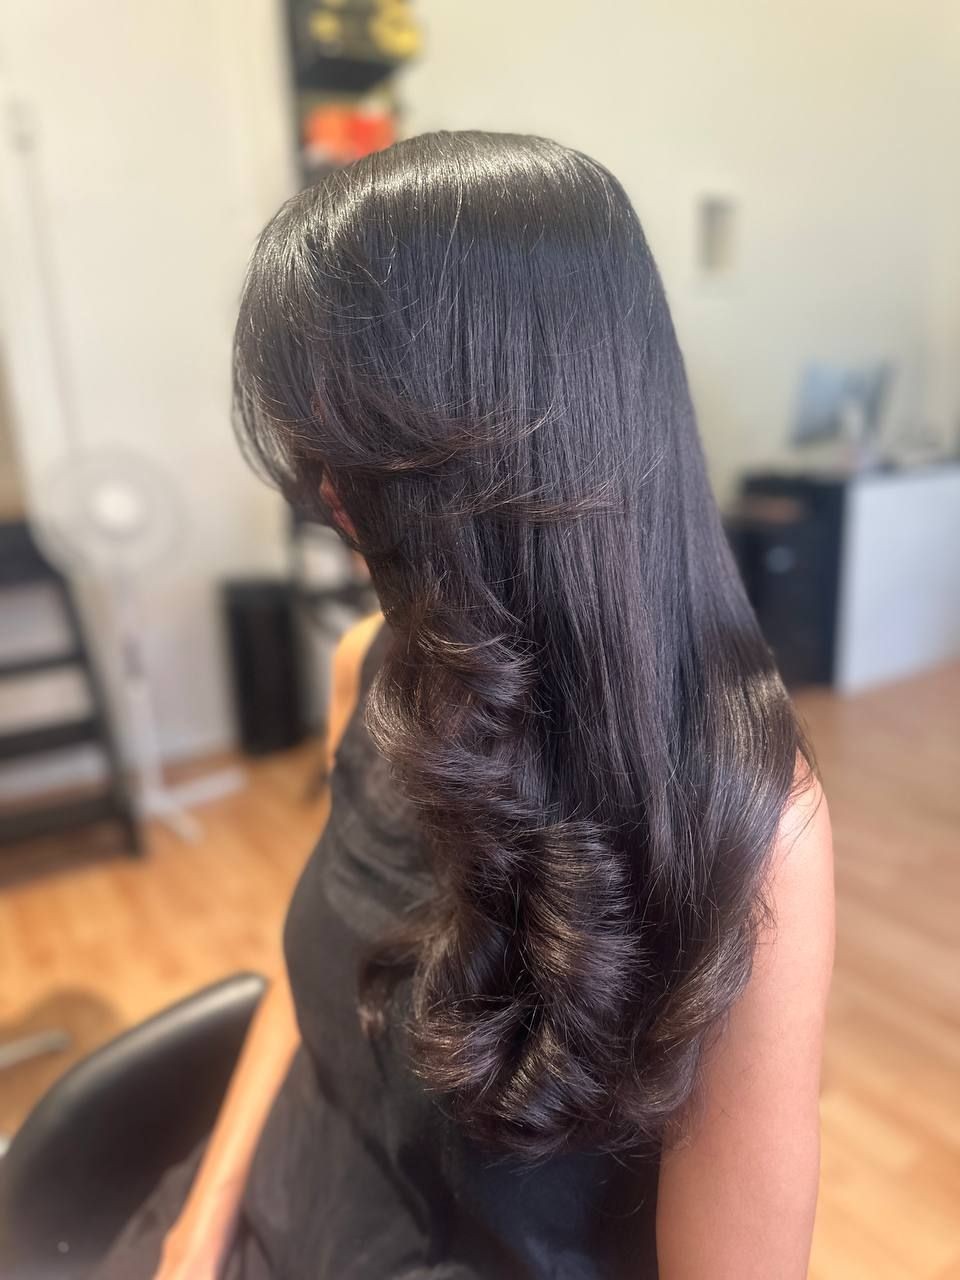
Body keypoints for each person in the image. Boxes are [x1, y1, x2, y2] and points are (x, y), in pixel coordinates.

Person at [99, 131, 834, 1280]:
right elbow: (317, 994)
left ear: (522, 430)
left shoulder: (743, 823)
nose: (327, 489)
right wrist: (202, 1221)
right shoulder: (372, 664)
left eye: (363, 445)